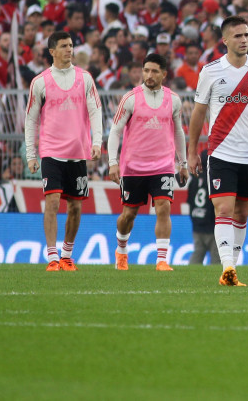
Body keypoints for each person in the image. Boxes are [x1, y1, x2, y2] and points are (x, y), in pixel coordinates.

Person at [187, 16, 248, 288]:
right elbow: (198, 113)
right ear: (225, 40)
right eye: (238, 36)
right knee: (224, 209)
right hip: (220, 153)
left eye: (246, 35)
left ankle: (233, 267)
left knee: (243, 213)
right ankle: (227, 268)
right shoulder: (210, 70)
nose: (244, 40)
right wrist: (192, 151)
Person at [24, 30, 104, 271]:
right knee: (53, 200)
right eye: (64, 46)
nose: (69, 49)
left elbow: (95, 111)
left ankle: (67, 255)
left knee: (76, 205)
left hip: (78, 152)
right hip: (51, 151)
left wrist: (97, 142)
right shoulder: (40, 82)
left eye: (71, 45)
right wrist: (31, 154)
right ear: (52, 51)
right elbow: (31, 120)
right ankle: (51, 257)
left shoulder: (85, 78)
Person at [107, 53, 188, 271]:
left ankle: (161, 260)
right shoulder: (130, 98)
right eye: (146, 70)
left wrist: (183, 163)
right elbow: (115, 131)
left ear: (164, 74)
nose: (149, 75)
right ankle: (121, 249)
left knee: (163, 208)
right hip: (133, 167)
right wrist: (112, 162)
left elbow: (179, 133)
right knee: (129, 215)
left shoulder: (174, 100)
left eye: (154, 71)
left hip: (163, 165)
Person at [187, 158, 217, 265]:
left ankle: (189, 277)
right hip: (212, 227)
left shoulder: (194, 180)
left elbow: (189, 201)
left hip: (197, 225)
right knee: (217, 258)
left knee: (197, 254)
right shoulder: (213, 179)